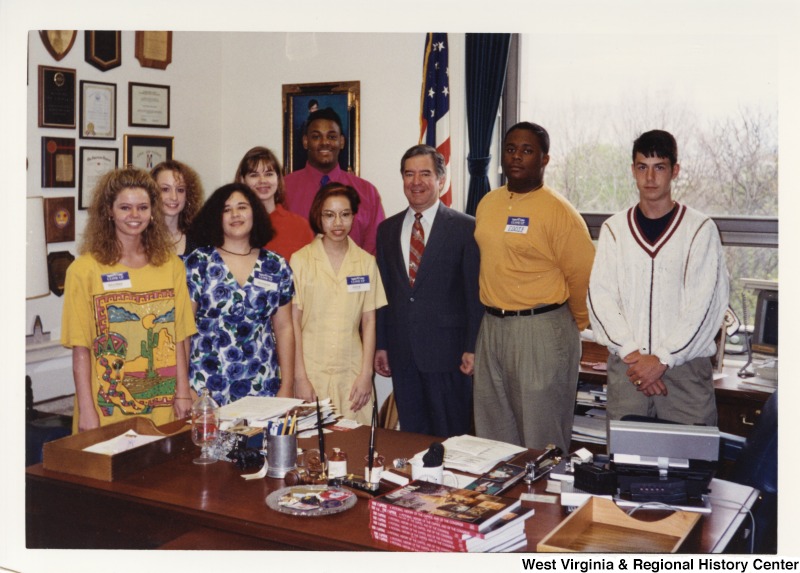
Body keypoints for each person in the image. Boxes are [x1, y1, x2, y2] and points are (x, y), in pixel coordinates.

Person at [587, 129, 729, 426]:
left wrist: (662, 359)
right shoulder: (615, 229)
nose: (650, 178)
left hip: (685, 370)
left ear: (674, 171)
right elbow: (600, 298)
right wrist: (637, 358)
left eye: (659, 167)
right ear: (633, 170)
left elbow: (704, 306)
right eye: (642, 167)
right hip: (629, 369)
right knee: (626, 466)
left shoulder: (700, 229)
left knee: (690, 466)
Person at [473, 122, 595, 453]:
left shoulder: (559, 213)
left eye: (527, 151)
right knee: (492, 432)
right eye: (511, 149)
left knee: (542, 436)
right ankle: (504, 504)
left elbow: (583, 276)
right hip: (492, 328)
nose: (516, 157)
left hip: (540, 330)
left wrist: (575, 327)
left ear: (544, 159)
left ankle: (548, 505)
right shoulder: (488, 203)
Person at [61, 167, 197, 433]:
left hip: (164, 408)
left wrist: (182, 392)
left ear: (153, 211)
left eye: (143, 207)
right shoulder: (84, 270)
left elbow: (180, 336)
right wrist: (87, 410)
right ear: (109, 211)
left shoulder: (171, 266)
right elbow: (81, 348)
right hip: (106, 411)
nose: (135, 216)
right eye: (125, 207)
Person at [374, 145, 483, 437]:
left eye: (425, 174)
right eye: (409, 174)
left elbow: (474, 296)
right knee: (412, 437)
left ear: (441, 180)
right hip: (403, 354)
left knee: (452, 438)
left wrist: (472, 347)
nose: (416, 182)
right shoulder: (386, 230)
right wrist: (381, 344)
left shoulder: (466, 228)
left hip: (449, 355)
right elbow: (383, 294)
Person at [184, 183, 295, 405]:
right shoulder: (199, 262)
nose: (235, 214)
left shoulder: (275, 265)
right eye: (226, 209)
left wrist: (287, 386)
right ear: (217, 217)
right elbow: (183, 330)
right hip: (205, 388)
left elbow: (284, 328)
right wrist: (185, 388)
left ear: (254, 212)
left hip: (263, 385)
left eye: (242, 207)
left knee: (259, 441)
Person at [290, 183, 387, 424]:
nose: (338, 223)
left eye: (345, 214)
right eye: (329, 215)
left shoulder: (365, 262)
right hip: (311, 370)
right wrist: (299, 377)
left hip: (352, 371)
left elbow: (369, 321)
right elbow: (293, 322)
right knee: (310, 448)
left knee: (356, 445)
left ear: (354, 216)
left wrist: (366, 374)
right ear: (318, 217)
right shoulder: (300, 260)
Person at [284, 107, 385, 254]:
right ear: (305, 141)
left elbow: (374, 248)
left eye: (332, 137)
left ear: (342, 142)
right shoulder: (284, 189)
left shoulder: (367, 192)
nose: (325, 142)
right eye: (316, 137)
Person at [234, 146, 314, 261]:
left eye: (269, 174)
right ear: (243, 180)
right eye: (254, 175)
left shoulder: (300, 227)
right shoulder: (234, 225)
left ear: (278, 178)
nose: (262, 180)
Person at [150, 160, 204, 256]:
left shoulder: (200, 240)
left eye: (180, 190)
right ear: (152, 193)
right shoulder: (141, 238)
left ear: (188, 195)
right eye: (165, 189)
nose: (174, 197)